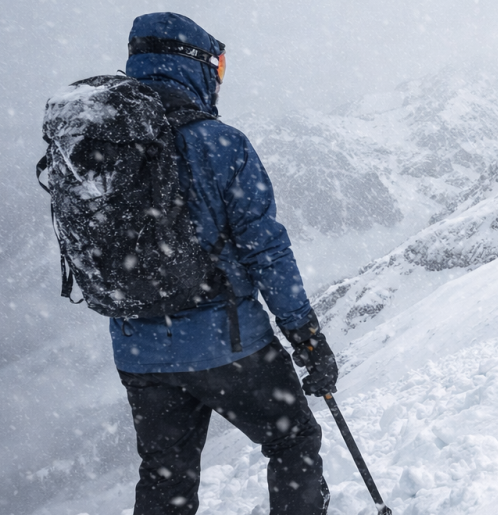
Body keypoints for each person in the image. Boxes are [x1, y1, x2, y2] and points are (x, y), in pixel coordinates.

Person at [110, 12, 338, 515]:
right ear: (194, 65)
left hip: (137, 351)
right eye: (218, 67)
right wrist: (308, 338)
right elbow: (267, 251)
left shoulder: (99, 145)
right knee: (292, 442)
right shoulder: (220, 143)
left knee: (165, 477)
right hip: (229, 345)